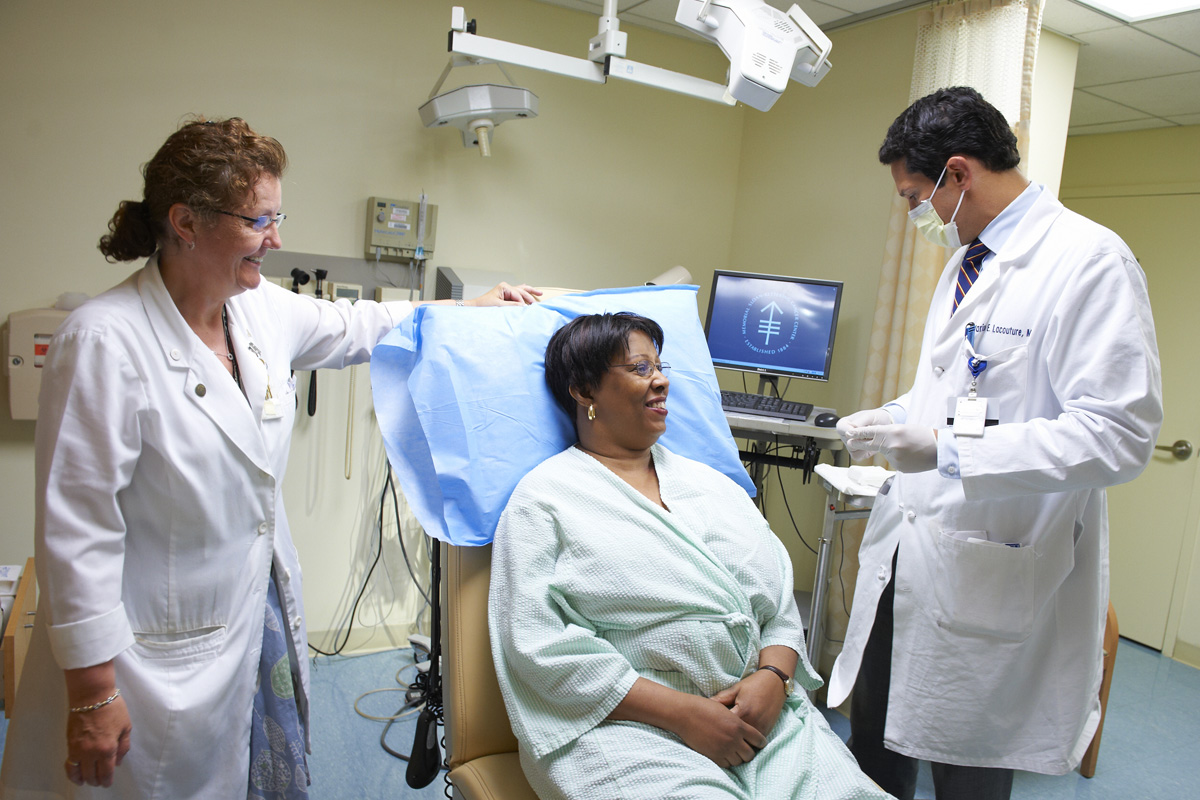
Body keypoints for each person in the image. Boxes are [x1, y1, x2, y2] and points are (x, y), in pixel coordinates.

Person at [0, 116, 537, 799]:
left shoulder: (256, 312)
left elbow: (362, 325)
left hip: (246, 614)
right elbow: (77, 534)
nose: (277, 238)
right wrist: (92, 694)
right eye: (260, 221)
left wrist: (473, 310)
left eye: (277, 217)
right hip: (144, 651)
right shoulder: (104, 342)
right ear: (186, 222)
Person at [828, 87, 1162, 800]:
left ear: (959, 173)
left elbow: (1119, 434)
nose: (913, 213)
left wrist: (948, 452)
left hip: (992, 569)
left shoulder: (1090, 262)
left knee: (967, 767)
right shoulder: (964, 261)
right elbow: (953, 396)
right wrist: (891, 419)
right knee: (873, 751)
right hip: (907, 554)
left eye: (915, 194)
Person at [489, 312, 892, 800]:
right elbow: (536, 643)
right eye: (639, 368)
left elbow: (779, 605)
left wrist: (773, 677)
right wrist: (683, 713)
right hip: (625, 727)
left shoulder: (714, 486)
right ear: (584, 391)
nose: (660, 380)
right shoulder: (544, 500)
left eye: (661, 367)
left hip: (758, 713)